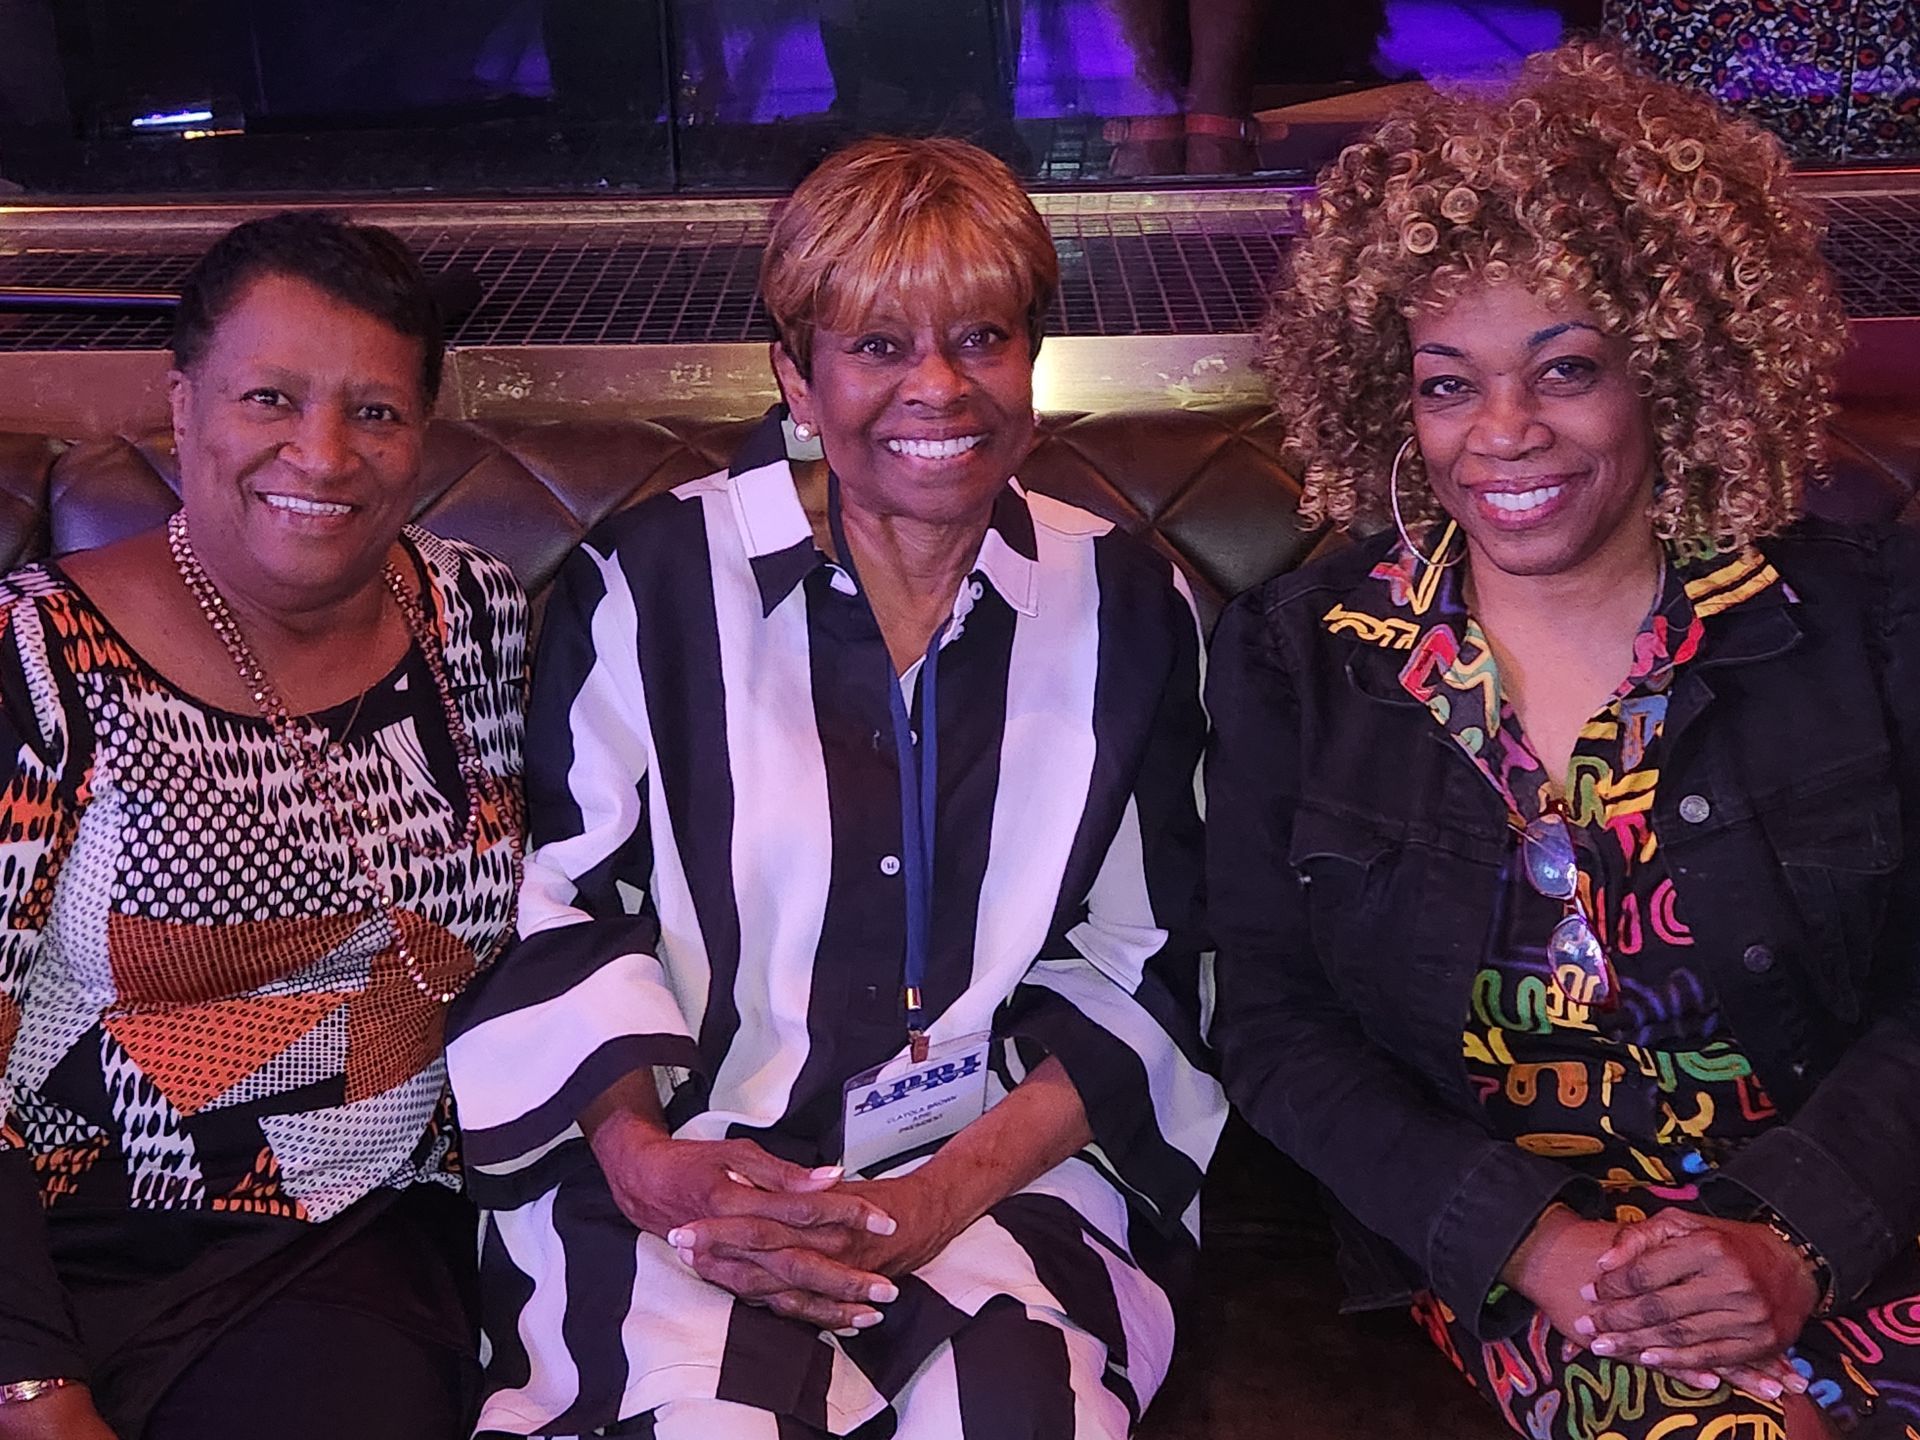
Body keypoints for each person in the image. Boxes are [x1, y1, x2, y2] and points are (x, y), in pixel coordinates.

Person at [447, 135, 1225, 1439]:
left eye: (981, 337)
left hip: (1001, 1182)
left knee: (1017, 1411)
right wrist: (653, 1168)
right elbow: (557, 913)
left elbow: (1154, 968)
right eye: (877, 347)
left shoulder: (1132, 607)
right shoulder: (646, 587)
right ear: (794, 376)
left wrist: (925, 1203)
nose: (940, 390)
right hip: (694, 1171)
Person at [1208, 41, 1918, 1440]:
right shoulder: (1308, 662)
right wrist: (1535, 1245)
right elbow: (1278, 1034)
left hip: (1865, 1214)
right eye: (1449, 383)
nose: (1506, 436)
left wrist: (1793, 1233)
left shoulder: (1866, 624)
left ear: (1674, 369)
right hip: (1560, 1272)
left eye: (1568, 368)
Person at [0, 212, 526, 1439]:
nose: (324, 453)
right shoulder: (38, 659)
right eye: (270, 397)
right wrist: (30, 1388)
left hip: (348, 1244)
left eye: (376, 412)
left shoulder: (471, 617)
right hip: (54, 1247)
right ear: (182, 408)